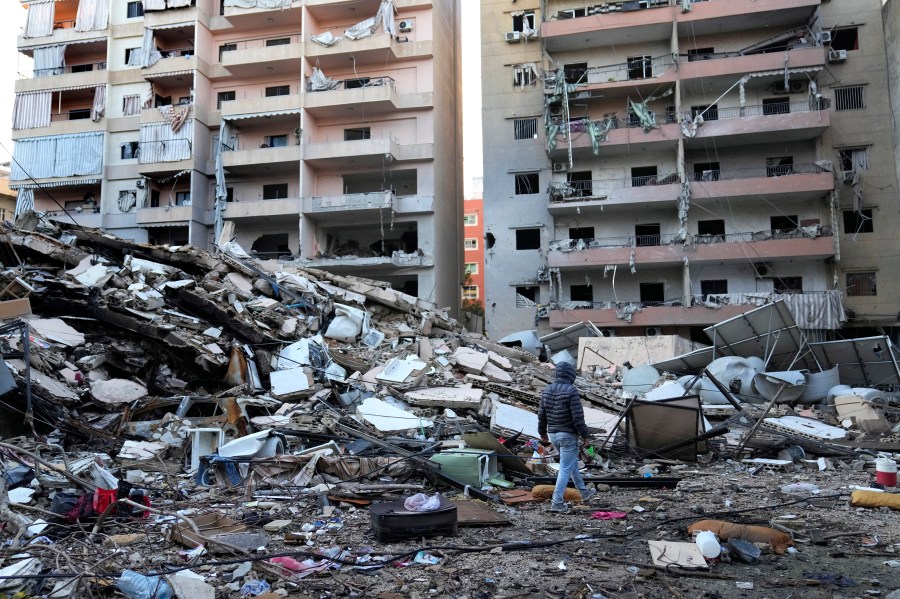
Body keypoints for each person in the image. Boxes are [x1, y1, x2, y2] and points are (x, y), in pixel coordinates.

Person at [537, 361, 596, 513]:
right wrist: (585, 435)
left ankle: (584, 492)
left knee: (571, 464)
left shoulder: (547, 390)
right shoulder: (571, 391)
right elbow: (578, 417)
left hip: (553, 434)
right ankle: (557, 502)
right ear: (571, 375)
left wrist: (542, 432)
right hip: (568, 435)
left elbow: (541, 414)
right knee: (565, 468)